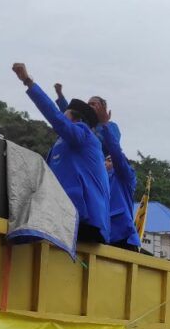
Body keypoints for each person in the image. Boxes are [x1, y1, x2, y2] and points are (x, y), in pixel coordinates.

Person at [11, 63, 111, 244]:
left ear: (75, 118)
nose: (61, 115)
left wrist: (28, 82)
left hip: (84, 219)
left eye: (65, 113)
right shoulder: (61, 144)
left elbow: (57, 119)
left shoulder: (84, 133)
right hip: (64, 214)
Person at [54, 84, 140, 250]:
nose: (89, 106)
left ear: (103, 108)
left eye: (93, 104)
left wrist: (105, 123)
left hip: (119, 232)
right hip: (90, 170)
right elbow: (68, 117)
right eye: (88, 104)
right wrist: (60, 96)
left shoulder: (109, 127)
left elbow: (115, 148)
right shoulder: (83, 126)